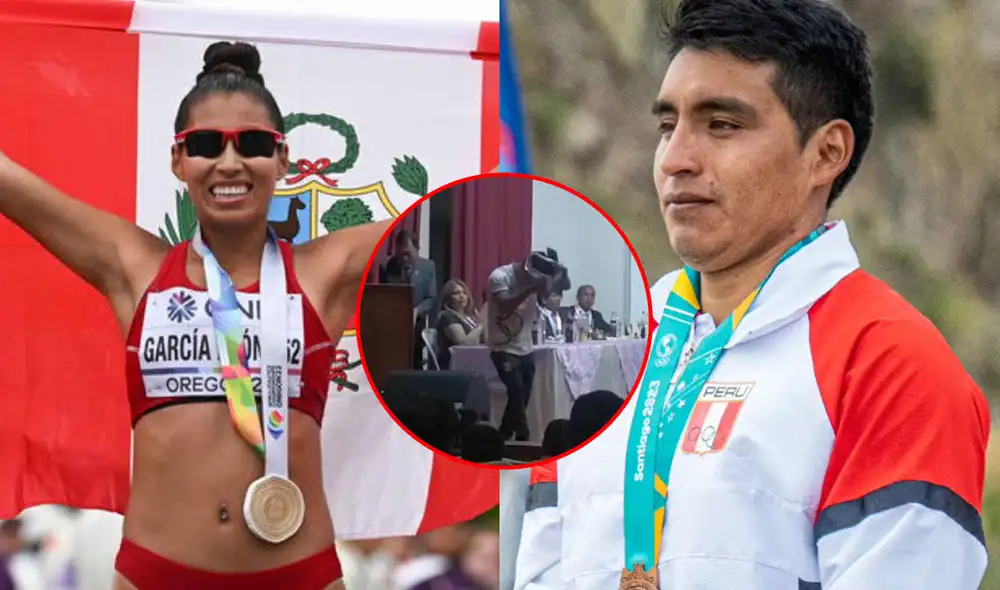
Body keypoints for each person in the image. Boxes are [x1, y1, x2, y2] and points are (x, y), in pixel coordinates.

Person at [513, 1, 989, 589]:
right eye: (667, 126)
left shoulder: (890, 363)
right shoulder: (591, 350)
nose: (676, 160)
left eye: (722, 125)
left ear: (826, 153)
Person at [0, 41, 392, 589]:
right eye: (206, 144)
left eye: (253, 143)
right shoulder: (135, 267)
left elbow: (478, 205)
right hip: (156, 574)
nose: (230, 162)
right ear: (178, 160)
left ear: (282, 159)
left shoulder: (325, 272)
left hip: (299, 574)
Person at [486, 254, 565, 441]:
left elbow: (563, 286)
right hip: (502, 345)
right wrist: (530, 288)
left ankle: (506, 435)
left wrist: (560, 273)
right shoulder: (500, 276)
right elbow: (503, 305)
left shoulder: (540, 280)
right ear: (527, 267)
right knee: (516, 390)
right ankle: (521, 434)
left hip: (526, 345)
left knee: (523, 394)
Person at [379, 229, 438, 369]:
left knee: (415, 363)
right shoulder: (388, 266)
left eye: (408, 254)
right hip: (393, 327)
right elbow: (383, 296)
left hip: (416, 327)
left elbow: (431, 298)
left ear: (417, 249)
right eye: (400, 254)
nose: (404, 259)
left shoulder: (428, 267)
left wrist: (417, 310)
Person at [436, 279, 486, 369]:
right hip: (454, 365)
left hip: (472, 362)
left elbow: (484, 340)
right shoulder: (447, 316)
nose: (462, 296)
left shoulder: (469, 317)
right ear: (448, 298)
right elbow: (463, 344)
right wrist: (480, 326)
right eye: (456, 293)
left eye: (464, 293)